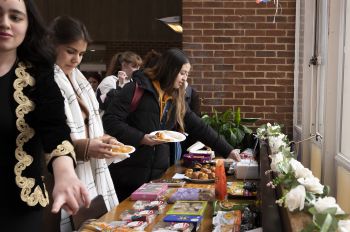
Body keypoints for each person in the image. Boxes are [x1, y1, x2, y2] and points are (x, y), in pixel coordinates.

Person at [103, 48, 241, 201]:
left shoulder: (174, 97)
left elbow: (198, 126)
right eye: (182, 73)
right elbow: (110, 121)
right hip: (127, 176)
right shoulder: (135, 89)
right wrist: (141, 138)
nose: (185, 78)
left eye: (187, 74)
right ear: (169, 70)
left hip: (157, 176)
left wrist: (228, 150)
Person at [0, 0, 90, 231]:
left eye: (15, 17)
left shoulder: (38, 72)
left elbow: (54, 126)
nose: (5, 23)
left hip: (16, 208)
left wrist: (65, 172)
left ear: (28, 24)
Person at [50, 16, 122, 231]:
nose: (76, 60)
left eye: (81, 54)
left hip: (90, 173)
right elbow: (45, 135)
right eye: (71, 51)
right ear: (53, 45)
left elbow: (91, 125)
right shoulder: (44, 81)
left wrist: (105, 140)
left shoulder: (79, 80)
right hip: (62, 175)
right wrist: (85, 147)